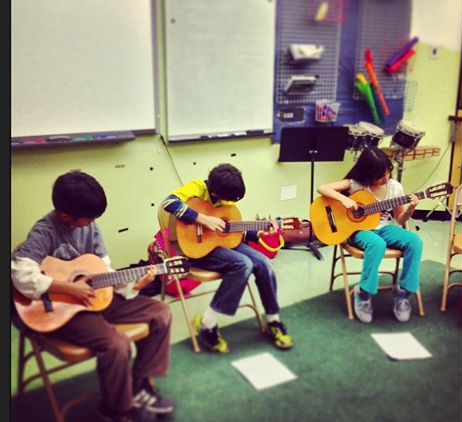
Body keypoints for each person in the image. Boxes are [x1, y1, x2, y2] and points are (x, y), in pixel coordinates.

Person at [11, 171, 175, 422]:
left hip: (93, 298)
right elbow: (21, 275)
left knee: (160, 312)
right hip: (59, 308)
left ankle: (139, 385)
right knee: (116, 344)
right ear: (66, 216)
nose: (92, 223)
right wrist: (69, 288)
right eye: (88, 219)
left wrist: (134, 283)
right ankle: (114, 409)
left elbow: (103, 272)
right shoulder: (44, 231)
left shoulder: (91, 225)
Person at [161, 163, 293, 353]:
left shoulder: (228, 198)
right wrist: (203, 219)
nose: (231, 203)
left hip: (222, 246)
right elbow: (168, 203)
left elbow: (233, 232)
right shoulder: (197, 188)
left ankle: (274, 321)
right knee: (243, 264)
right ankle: (208, 324)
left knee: (264, 262)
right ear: (215, 194)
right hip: (196, 249)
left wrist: (259, 234)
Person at [317, 146, 423, 323]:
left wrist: (411, 208)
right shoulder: (357, 184)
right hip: (358, 230)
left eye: (388, 173)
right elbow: (322, 188)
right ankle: (364, 293)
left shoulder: (395, 188)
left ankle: (403, 292)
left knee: (415, 242)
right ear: (367, 173)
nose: (385, 178)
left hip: (384, 228)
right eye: (380, 175)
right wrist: (344, 199)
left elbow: (399, 218)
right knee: (377, 244)